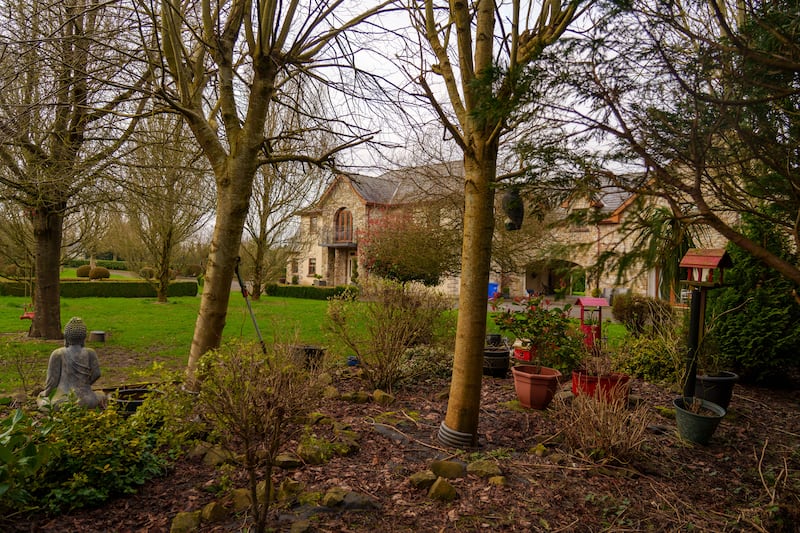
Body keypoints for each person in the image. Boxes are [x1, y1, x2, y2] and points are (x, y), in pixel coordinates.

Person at [37, 317, 105, 409]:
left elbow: (52, 381)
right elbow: (97, 374)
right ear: (83, 338)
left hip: (62, 401)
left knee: (42, 401)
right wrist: (85, 384)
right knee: (101, 395)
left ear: (66, 338)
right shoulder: (90, 352)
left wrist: (45, 393)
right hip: (87, 400)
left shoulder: (58, 353)